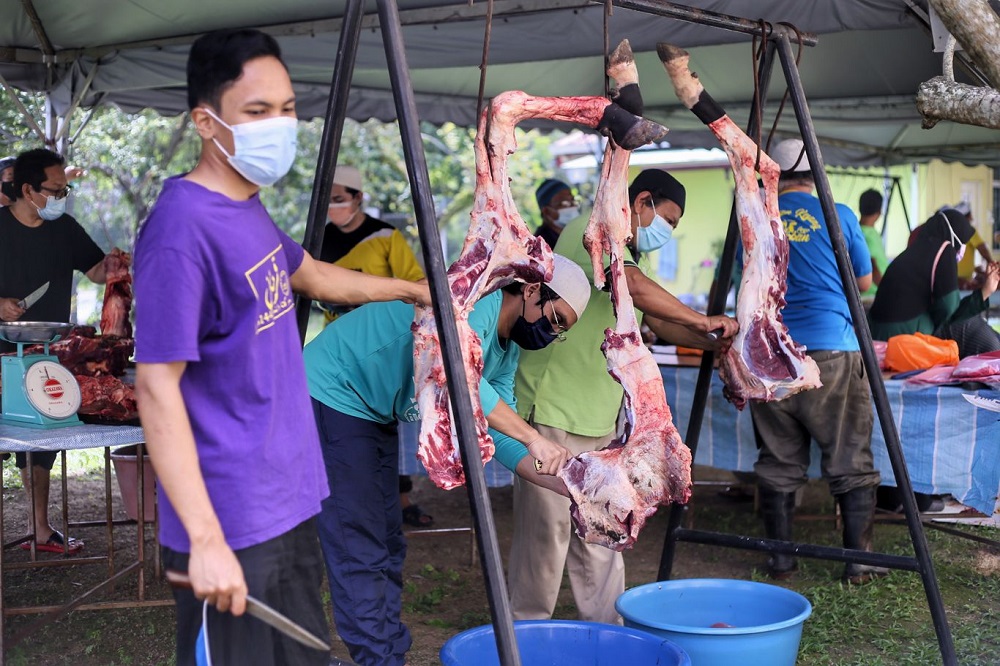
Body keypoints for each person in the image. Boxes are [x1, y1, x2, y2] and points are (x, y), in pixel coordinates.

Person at [132, 28, 429, 666]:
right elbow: (156, 386)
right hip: (229, 514)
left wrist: (413, 291)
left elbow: (315, 275)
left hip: (290, 497)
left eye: (288, 107)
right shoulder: (180, 231)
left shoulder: (247, 208)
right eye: (258, 112)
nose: (281, 125)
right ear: (206, 122)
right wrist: (206, 539)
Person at [303, 254, 591, 665]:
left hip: (371, 409)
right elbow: (462, 378)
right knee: (359, 544)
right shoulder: (473, 304)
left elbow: (501, 433)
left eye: (561, 330)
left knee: (386, 540)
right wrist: (534, 436)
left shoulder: (506, 350)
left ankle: (387, 652)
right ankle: (379, 659)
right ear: (531, 290)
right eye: (557, 319)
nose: (552, 333)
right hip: (332, 392)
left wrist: (570, 484)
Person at [510, 169, 739, 624]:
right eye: (667, 220)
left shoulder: (632, 254)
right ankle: (523, 629)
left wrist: (711, 337)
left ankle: (608, 631)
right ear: (642, 202)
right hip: (551, 405)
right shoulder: (590, 230)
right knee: (549, 531)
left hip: (597, 413)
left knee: (603, 523)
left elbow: (654, 322)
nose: (666, 233)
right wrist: (700, 318)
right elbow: (633, 288)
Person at [750, 138, 884, 585]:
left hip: (772, 352)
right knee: (849, 455)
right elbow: (863, 282)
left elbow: (746, 280)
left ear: (775, 174)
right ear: (815, 174)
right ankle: (858, 562)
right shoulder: (840, 214)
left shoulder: (757, 217)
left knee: (778, 457)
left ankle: (781, 560)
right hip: (832, 351)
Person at [0, 148, 113, 556]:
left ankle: (41, 529)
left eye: (66, 188)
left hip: (46, 350)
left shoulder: (63, 228)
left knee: (42, 441)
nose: (62, 196)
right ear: (27, 189)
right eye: (55, 189)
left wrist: (115, 266)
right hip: (0, 352)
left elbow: (96, 270)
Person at [320, 164, 432, 527]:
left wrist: (369, 296)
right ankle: (360, 504)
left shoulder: (384, 235)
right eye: (329, 200)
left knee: (394, 417)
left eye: (339, 199)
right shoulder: (320, 237)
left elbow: (414, 282)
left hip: (382, 340)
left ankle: (400, 497)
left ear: (358, 198)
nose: (333, 207)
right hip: (339, 339)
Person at [869, 208, 1000, 358]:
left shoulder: (912, 252)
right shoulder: (944, 249)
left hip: (877, 335)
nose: (963, 248)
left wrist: (986, 291)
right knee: (975, 328)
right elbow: (949, 309)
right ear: (954, 236)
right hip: (903, 339)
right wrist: (984, 292)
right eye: (963, 242)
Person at [858, 189, 888, 298]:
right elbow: (873, 266)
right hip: (871, 294)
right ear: (879, 211)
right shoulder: (866, 235)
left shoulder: (859, 231)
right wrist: (886, 289)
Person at [534, 178, 577, 250]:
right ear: (546, 211)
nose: (572, 207)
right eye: (564, 203)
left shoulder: (575, 234)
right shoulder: (541, 245)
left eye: (573, 201)